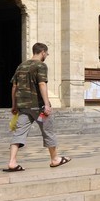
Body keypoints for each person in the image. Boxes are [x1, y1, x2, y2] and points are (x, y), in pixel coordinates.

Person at [5, 42, 68, 171]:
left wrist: (14, 105)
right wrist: (46, 104)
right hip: (38, 107)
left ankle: (12, 162)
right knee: (48, 132)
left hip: (24, 107)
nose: (47, 55)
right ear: (43, 52)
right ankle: (55, 159)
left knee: (19, 133)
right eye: (47, 53)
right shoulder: (41, 65)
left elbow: (14, 87)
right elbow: (42, 85)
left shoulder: (21, 66)